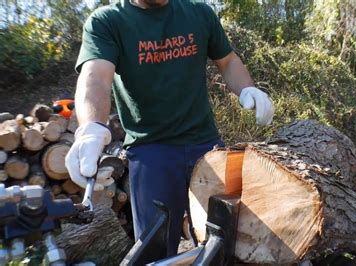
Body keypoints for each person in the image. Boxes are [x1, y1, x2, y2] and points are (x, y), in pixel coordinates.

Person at [65, 0, 274, 255]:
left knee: (230, 244)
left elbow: (228, 60)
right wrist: (91, 128)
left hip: (207, 147)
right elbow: (95, 77)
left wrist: (247, 88)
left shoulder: (199, 13)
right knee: (155, 251)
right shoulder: (108, 21)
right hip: (151, 152)